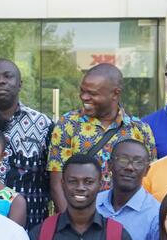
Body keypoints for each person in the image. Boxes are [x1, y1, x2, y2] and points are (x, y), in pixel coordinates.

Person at [47, 64, 155, 214]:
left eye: (92, 93)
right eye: (82, 91)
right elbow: (57, 183)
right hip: (79, 218)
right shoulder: (68, 124)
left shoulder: (140, 130)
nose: (84, 97)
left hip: (126, 217)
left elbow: (148, 181)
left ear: (115, 94)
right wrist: (73, 222)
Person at [0, 59, 53, 227]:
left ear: (20, 84)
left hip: (32, 227)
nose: (0, 81)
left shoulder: (43, 124)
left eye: (8, 76)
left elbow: (53, 178)